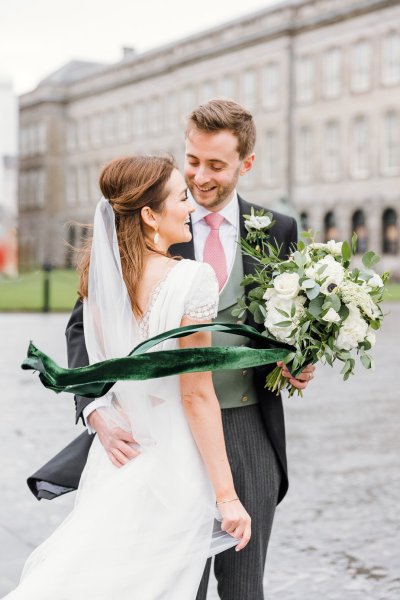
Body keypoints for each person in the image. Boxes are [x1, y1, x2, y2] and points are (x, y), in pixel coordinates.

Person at [62, 99, 315, 600]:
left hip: (248, 427)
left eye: (216, 165)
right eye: (192, 161)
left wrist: (299, 360)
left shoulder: (279, 229)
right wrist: (93, 408)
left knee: (246, 590)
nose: (200, 177)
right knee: (174, 586)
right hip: (167, 434)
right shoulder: (152, 223)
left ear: (246, 163)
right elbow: (82, 327)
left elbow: (291, 324)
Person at [4, 155, 252, 599]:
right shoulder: (194, 279)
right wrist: (227, 497)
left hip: (117, 460)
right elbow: (196, 396)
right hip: (174, 461)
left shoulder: (103, 280)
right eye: (181, 197)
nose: (192, 206)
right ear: (150, 215)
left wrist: (98, 408)